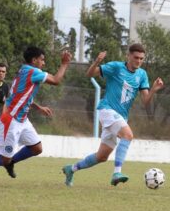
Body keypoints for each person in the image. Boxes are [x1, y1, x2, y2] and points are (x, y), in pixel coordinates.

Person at [0, 46, 72, 185]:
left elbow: (21, 95)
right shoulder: (33, 71)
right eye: (42, 60)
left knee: (36, 148)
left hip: (22, 119)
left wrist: (38, 107)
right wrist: (64, 64)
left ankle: (11, 162)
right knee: (4, 159)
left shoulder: (24, 70)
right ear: (34, 60)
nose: (43, 63)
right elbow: (56, 80)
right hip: (11, 120)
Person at [62, 43, 164, 187]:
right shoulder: (116, 67)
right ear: (128, 56)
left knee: (101, 156)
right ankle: (117, 172)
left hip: (120, 117)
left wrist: (154, 89)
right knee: (128, 135)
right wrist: (97, 61)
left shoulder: (142, 75)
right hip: (107, 110)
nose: (139, 61)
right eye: (136, 57)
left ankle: (71, 169)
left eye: (142, 59)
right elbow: (90, 74)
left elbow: (145, 101)